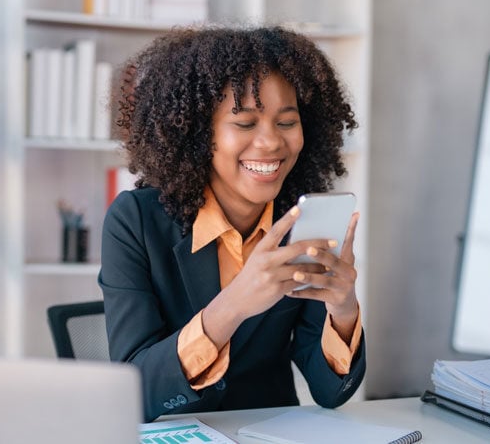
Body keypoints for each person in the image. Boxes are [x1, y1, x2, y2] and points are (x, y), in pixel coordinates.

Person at [98, 25, 365, 422]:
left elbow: (330, 393)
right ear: (197, 132)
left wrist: (343, 310)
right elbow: (135, 391)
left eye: (287, 122)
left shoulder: (300, 223)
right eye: (244, 124)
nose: (271, 142)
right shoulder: (135, 221)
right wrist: (233, 305)